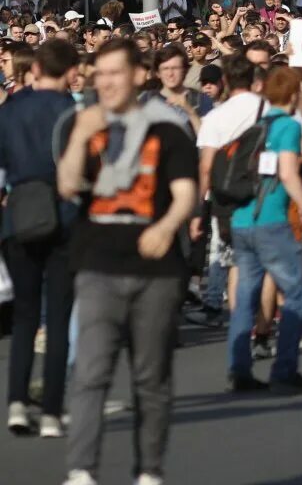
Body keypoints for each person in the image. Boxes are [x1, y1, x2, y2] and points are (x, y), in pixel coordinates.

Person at [55, 37, 196, 485]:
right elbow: (68, 185)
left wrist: (165, 226)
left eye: (117, 73)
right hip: (97, 266)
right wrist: (80, 134)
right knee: (91, 373)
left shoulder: (167, 130)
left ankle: (149, 472)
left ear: (139, 75)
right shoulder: (85, 125)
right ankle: (81, 471)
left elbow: (186, 195)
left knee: (150, 380)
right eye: (100, 74)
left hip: (155, 272)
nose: (108, 82)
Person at [224, 65, 302, 394]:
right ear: (294, 94)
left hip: (242, 218)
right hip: (270, 219)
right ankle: (285, 368)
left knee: (245, 298)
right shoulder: (289, 126)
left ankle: (239, 368)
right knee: (295, 292)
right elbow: (289, 173)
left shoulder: (256, 125)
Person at [0, 37, 79, 437]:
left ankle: (16, 402)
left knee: (25, 316)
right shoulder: (70, 110)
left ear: (34, 69)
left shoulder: (10, 110)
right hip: (62, 215)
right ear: (70, 72)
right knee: (58, 316)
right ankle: (50, 410)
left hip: (18, 214)